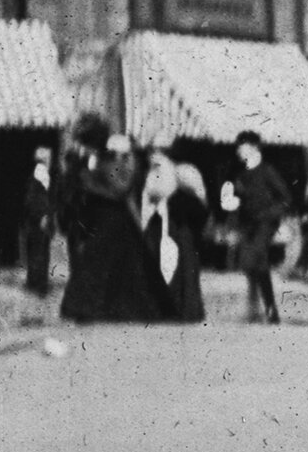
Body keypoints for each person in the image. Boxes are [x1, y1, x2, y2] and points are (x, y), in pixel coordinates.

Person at [59, 132, 163, 322]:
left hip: (113, 220)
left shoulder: (116, 166)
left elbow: (116, 189)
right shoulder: (114, 166)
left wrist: (91, 184)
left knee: (105, 266)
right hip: (110, 220)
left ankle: (93, 309)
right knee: (105, 266)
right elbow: (116, 188)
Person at [219, 133, 291, 324]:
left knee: (254, 258)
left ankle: (262, 308)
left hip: (266, 224)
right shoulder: (241, 174)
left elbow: (285, 199)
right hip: (248, 224)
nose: (238, 151)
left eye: (241, 146)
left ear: (253, 148)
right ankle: (265, 309)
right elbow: (240, 202)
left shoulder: (267, 171)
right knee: (256, 265)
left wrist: (270, 215)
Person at [139, 146, 206, 323]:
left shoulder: (179, 171)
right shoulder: (156, 173)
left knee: (180, 267)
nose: (153, 157)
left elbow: (161, 194)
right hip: (165, 225)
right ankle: (177, 309)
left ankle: (181, 309)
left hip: (176, 225)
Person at [21, 148, 57, 295]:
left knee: (36, 250)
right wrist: (43, 216)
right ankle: (40, 284)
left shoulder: (39, 172)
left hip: (35, 219)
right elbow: (37, 199)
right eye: (49, 157)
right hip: (39, 219)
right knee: (40, 251)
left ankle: (34, 281)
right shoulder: (41, 174)